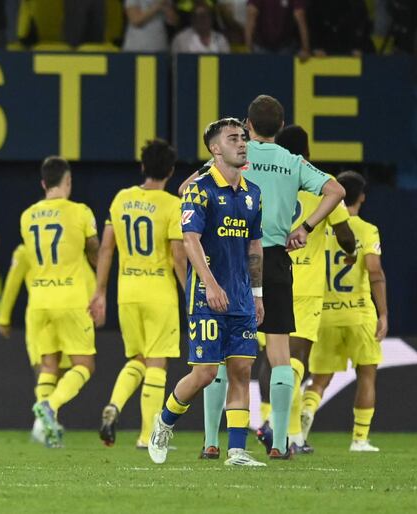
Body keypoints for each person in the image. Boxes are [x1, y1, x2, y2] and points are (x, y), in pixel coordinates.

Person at [179, 95, 346, 459]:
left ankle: (211, 441)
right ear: (282, 127)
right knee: (280, 354)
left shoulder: (235, 156)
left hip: (231, 258)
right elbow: (336, 190)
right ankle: (282, 442)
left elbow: (185, 189)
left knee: (222, 357)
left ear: (247, 126)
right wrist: (305, 227)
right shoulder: (292, 161)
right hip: (274, 261)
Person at [148, 118, 265, 467]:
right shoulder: (199, 189)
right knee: (205, 374)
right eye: (233, 139)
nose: (242, 143)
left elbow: (255, 245)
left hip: (241, 296)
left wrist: (257, 294)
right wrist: (211, 285)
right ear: (215, 149)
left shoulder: (253, 192)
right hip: (205, 296)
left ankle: (237, 451)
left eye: (243, 138)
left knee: (242, 370)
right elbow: (189, 241)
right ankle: (164, 423)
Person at [254, 125, 356, 455]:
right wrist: (350, 250)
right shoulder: (316, 180)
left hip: (266, 274)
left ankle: (278, 426)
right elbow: (344, 232)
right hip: (306, 286)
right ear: (307, 152)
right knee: (295, 361)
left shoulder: (265, 175)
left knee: (268, 357)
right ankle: (284, 430)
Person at [89, 139, 186, 449]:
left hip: (127, 291)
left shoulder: (121, 199)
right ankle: (149, 436)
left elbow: (106, 248)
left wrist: (99, 291)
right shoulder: (173, 205)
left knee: (137, 359)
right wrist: (191, 293)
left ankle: (114, 405)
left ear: (143, 167)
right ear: (170, 171)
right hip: (158, 291)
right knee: (157, 364)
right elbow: (178, 255)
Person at [302, 171, 387, 452]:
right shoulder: (366, 230)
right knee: (367, 375)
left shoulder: (321, 225)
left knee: (319, 380)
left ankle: (304, 419)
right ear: (362, 197)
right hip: (359, 314)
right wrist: (384, 313)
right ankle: (360, 439)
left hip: (323, 314)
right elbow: (374, 273)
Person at [22, 156, 100, 448]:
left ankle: (42, 430)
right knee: (84, 365)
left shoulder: (27, 216)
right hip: (69, 297)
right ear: (67, 182)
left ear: (43, 183)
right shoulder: (80, 212)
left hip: (39, 299)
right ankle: (50, 406)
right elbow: (93, 251)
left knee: (49, 364)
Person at [0, 243, 85, 443]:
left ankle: (43, 422)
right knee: (55, 368)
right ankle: (44, 422)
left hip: (40, 311)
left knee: (47, 367)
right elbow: (86, 275)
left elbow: (12, 281)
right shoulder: (64, 248)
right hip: (67, 308)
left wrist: (4, 316)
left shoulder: (28, 249)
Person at [245, 0, 311, 61]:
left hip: (278, 45)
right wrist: (305, 49)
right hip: (281, 45)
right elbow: (300, 16)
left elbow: (251, 16)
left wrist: (249, 49)